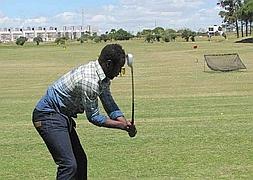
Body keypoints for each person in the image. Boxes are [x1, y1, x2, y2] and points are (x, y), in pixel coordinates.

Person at [32, 44, 137, 180]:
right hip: (48, 115)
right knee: (69, 165)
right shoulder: (90, 81)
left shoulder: (102, 75)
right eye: (119, 68)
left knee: (80, 161)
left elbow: (108, 101)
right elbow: (93, 117)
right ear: (109, 64)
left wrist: (125, 123)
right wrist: (121, 126)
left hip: (61, 116)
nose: (119, 72)